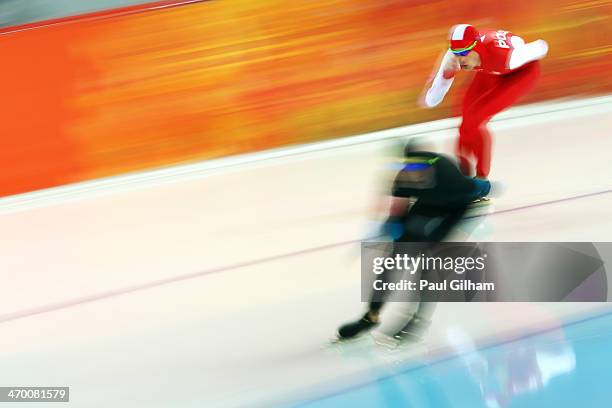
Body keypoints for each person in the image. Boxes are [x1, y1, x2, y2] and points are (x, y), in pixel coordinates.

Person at [336, 146, 490, 343]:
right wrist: (391, 227)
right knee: (393, 262)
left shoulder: (448, 174)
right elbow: (397, 211)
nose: (414, 173)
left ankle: (420, 320)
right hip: (427, 205)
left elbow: (475, 198)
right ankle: (371, 316)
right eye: (410, 168)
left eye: (419, 169)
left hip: (458, 208)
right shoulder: (403, 177)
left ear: (431, 167)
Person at [421, 24, 548, 183]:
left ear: (477, 47)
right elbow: (434, 98)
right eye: (457, 53)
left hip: (520, 74)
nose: (460, 60)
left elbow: (541, 47)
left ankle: (481, 179)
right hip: (490, 70)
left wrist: (519, 45)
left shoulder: (508, 57)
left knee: (475, 119)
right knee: (465, 119)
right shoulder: (453, 58)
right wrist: (445, 75)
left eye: (465, 53)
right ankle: (462, 175)